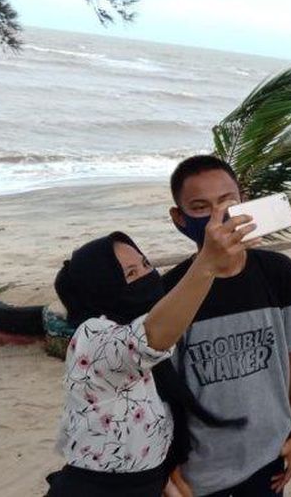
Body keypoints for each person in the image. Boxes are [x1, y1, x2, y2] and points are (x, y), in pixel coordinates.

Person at [47, 201, 257, 497]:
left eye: (146, 264)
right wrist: (207, 263)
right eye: (131, 274)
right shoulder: (93, 336)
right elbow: (151, 337)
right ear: (101, 287)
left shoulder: (142, 335)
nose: (147, 275)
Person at [163, 155, 291, 496]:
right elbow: (161, 389)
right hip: (201, 471)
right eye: (200, 207)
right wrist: (169, 467)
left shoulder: (281, 274)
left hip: (268, 457)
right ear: (179, 218)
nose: (217, 217)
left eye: (227, 202)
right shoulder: (169, 294)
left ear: (244, 201)